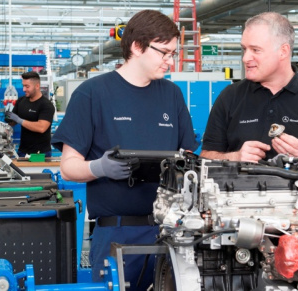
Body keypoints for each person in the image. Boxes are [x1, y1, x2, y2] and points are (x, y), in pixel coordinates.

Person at [51, 10, 198, 291]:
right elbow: (68, 166)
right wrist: (99, 168)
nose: (170, 60)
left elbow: (187, 157)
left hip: (169, 231)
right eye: (164, 52)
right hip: (115, 233)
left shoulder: (172, 94)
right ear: (137, 46)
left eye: (173, 53)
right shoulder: (92, 93)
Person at [200, 12, 298, 175]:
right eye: (244, 49)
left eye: (255, 50)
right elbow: (205, 158)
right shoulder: (229, 97)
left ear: (283, 51)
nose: (245, 58)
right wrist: (235, 157)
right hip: (239, 198)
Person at [6, 71, 55, 157]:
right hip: (22, 151)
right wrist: (9, 119)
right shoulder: (21, 101)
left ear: (37, 86)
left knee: (36, 171)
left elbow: (41, 127)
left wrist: (20, 120)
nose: (24, 89)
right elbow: (13, 122)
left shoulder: (46, 105)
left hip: (40, 153)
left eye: (27, 86)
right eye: (23, 86)